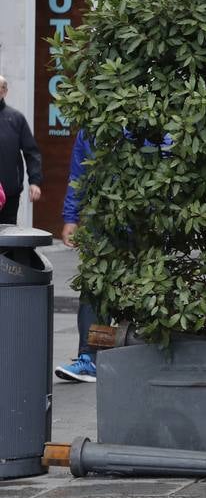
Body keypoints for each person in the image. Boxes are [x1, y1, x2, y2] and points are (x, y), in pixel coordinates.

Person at [54, 129, 101, 383]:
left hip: (145, 219)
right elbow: (78, 174)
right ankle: (89, 357)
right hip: (100, 218)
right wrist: (71, 217)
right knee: (94, 286)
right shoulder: (89, 128)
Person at [0, 75, 42, 226]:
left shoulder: (16, 119)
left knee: (7, 240)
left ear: (4, 92)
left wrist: (35, 181)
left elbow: (31, 152)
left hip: (9, 194)